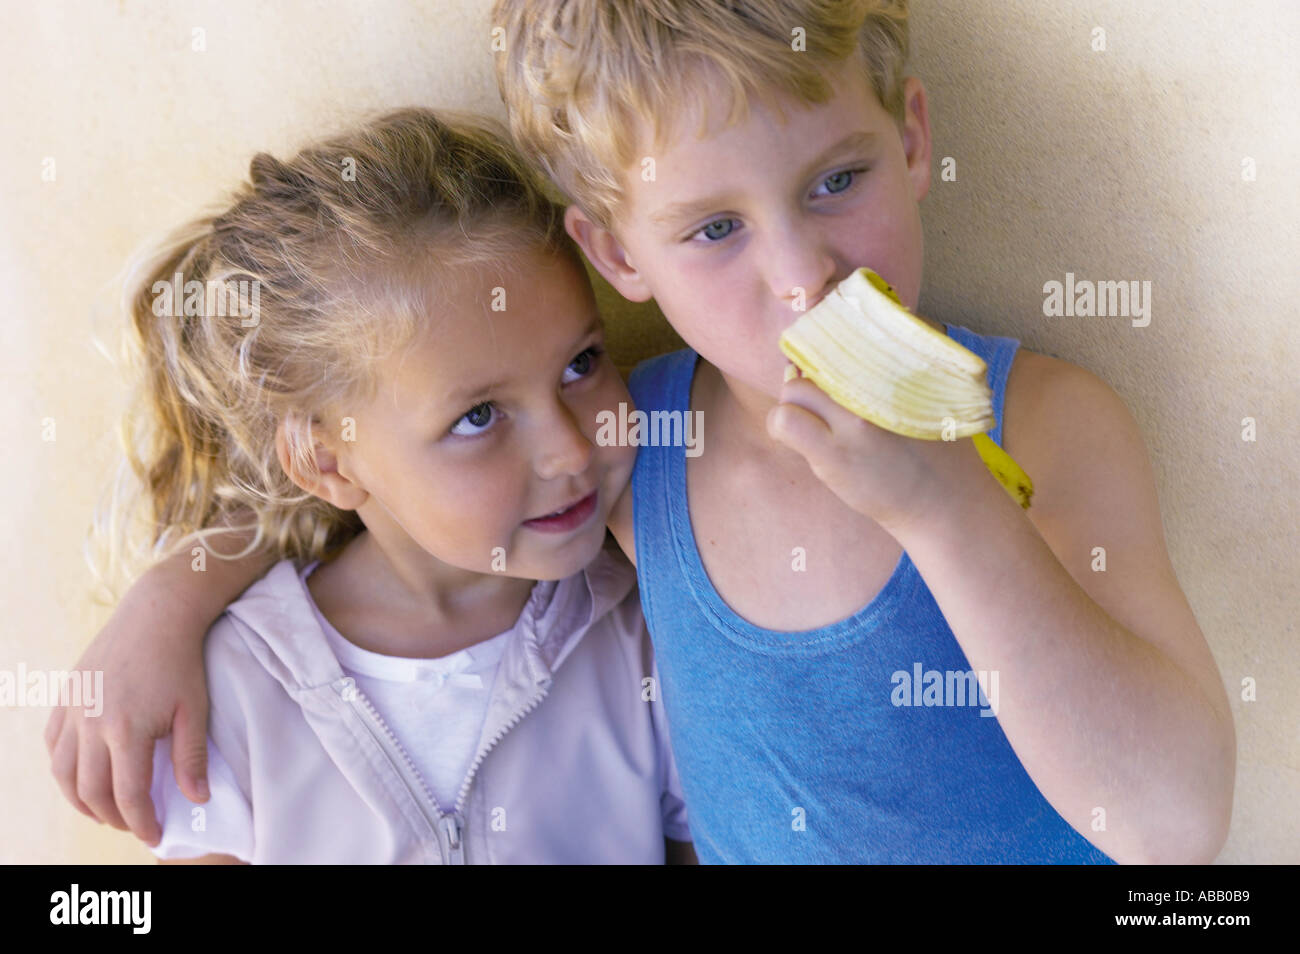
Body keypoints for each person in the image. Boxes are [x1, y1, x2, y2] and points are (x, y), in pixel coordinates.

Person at [51, 0, 1235, 864]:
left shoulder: (1044, 426)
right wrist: (171, 599)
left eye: (837, 180)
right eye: (712, 229)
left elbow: (1171, 833)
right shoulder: (635, 450)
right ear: (617, 256)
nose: (798, 274)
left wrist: (946, 505)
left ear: (915, 138)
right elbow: (410, 492)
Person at [51, 106, 692, 863]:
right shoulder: (236, 690)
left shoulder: (651, 628)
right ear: (329, 463)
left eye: (581, 365)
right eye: (479, 415)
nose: (569, 449)